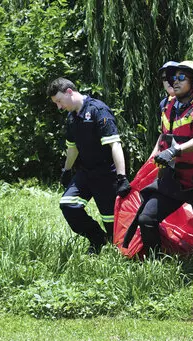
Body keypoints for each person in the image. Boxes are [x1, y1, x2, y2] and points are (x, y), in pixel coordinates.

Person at [129, 61, 193, 272]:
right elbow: (165, 134)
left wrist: (175, 151)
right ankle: (155, 266)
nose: (175, 81)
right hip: (172, 179)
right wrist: (155, 155)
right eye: (173, 77)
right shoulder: (168, 106)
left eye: (182, 77)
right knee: (147, 218)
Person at [47, 77, 131, 254]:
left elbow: (115, 144)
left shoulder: (98, 110)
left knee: (112, 224)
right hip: (86, 172)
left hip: (107, 174)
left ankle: (120, 249)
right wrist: (67, 170)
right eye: (56, 103)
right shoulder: (72, 117)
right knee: (67, 204)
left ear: (69, 92)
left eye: (59, 101)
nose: (59, 107)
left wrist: (122, 177)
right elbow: (73, 148)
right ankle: (97, 239)